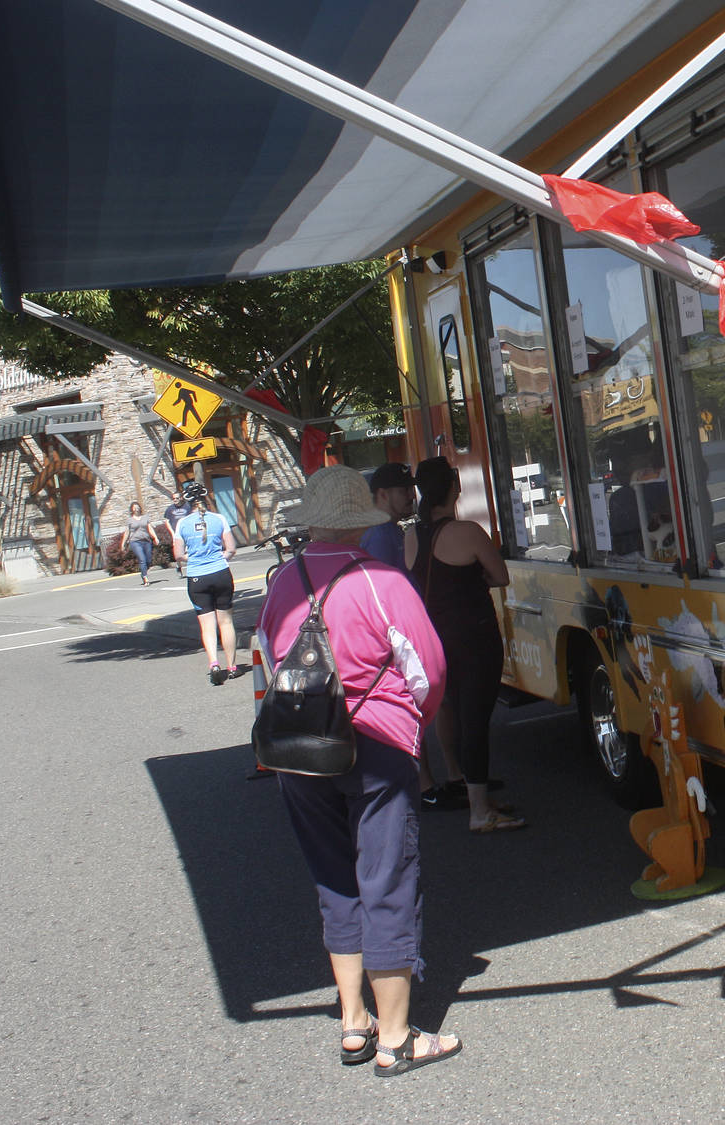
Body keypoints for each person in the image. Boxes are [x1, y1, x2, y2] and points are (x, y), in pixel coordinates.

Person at [255, 464, 457, 1076]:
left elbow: (266, 659)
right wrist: (411, 730)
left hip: (300, 750)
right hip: (375, 748)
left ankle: (352, 1022)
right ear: (360, 520)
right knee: (386, 879)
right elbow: (429, 671)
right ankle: (396, 1037)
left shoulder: (281, 581)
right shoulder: (380, 580)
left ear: (313, 521)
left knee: (334, 881)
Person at [406, 456, 523, 832]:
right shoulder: (468, 532)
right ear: (454, 487)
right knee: (475, 722)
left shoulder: (412, 535)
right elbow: (500, 576)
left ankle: (474, 793)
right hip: (473, 636)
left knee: (453, 712)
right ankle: (479, 810)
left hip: (432, 639)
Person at [171, 480, 239, 685]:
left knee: (207, 626)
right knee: (226, 622)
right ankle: (233, 666)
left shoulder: (182, 524)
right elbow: (231, 549)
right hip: (220, 573)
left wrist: (194, 559)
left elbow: (178, 555)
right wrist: (221, 557)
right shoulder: (219, 519)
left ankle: (214, 663)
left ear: (187, 502)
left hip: (197, 577)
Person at [361, 462, 414, 569]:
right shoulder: (378, 537)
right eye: (404, 490)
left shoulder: (388, 529)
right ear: (383, 494)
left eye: (411, 489)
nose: (412, 495)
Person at [124, 501, 159, 586]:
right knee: (142, 559)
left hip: (146, 541)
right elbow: (127, 532)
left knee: (148, 560)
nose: (136, 508)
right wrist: (123, 543)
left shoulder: (145, 518)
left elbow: (149, 528)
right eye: (134, 507)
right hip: (135, 541)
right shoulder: (130, 520)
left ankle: (143, 572)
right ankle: (145, 577)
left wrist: (155, 537)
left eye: (137, 507)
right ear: (132, 509)